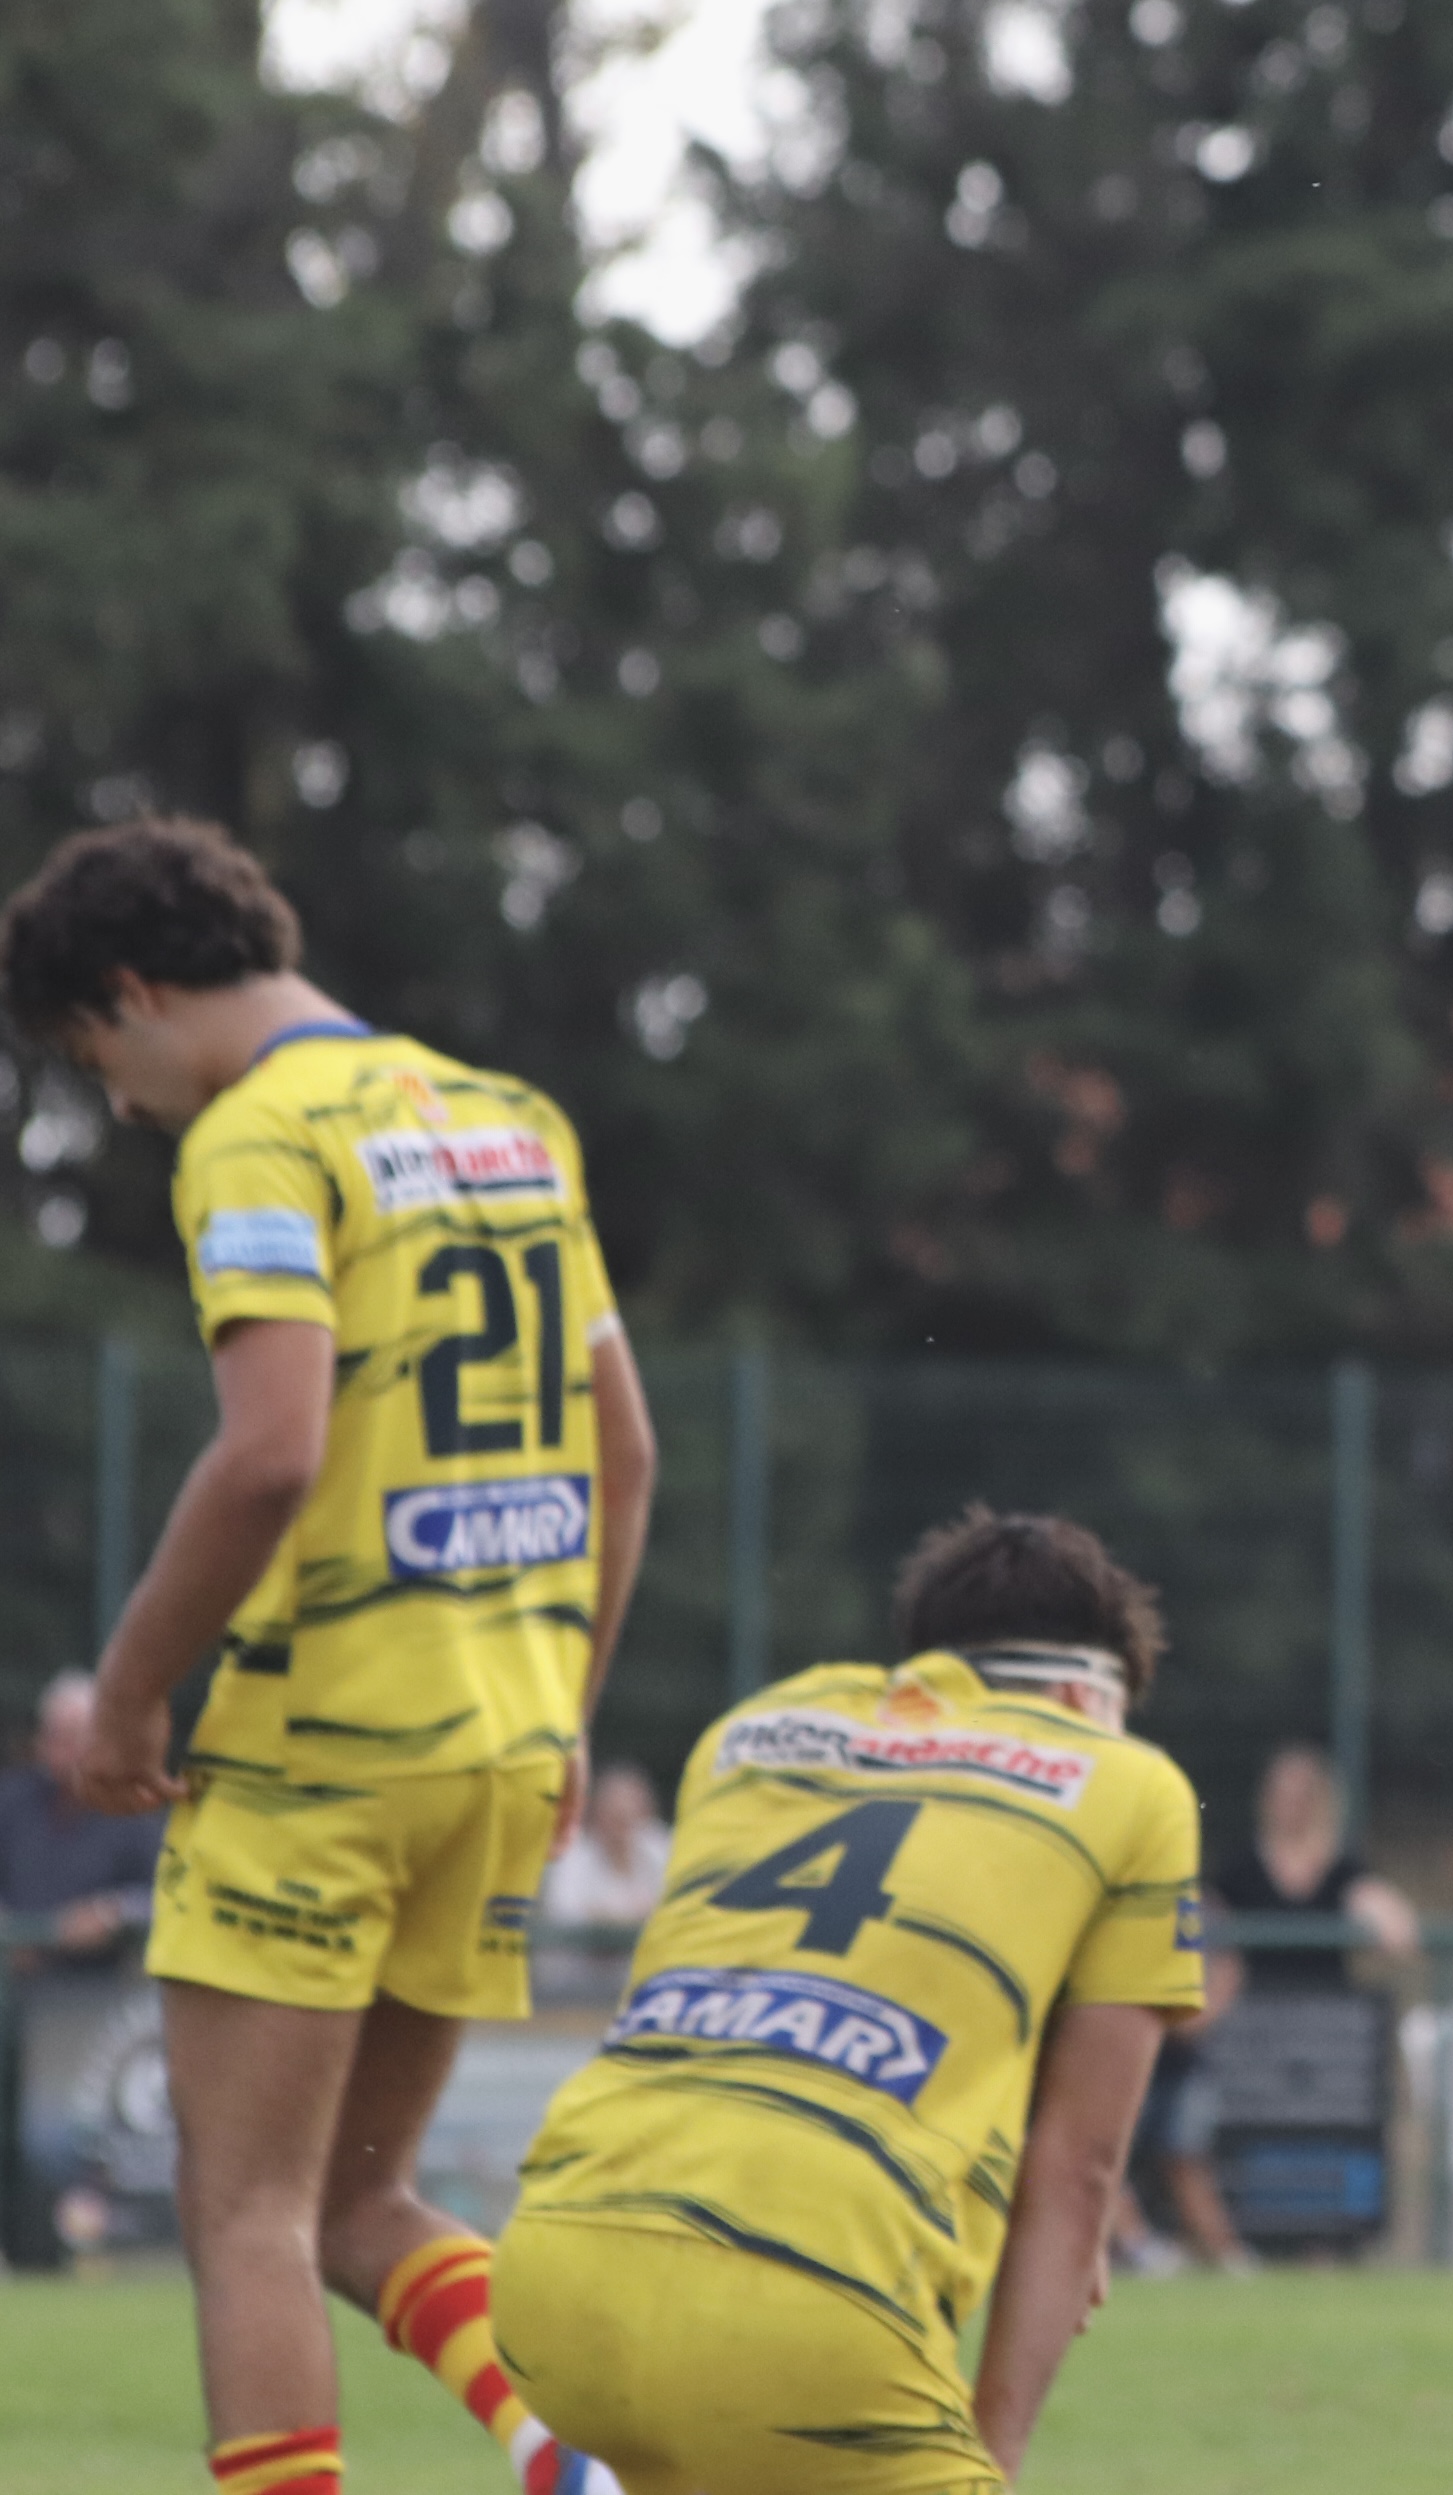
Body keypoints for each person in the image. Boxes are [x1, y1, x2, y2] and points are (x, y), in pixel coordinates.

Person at [3, 817, 658, 2495]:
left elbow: (271, 1455)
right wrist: (568, 1712)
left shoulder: (259, 1134)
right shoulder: (512, 1120)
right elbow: (627, 1451)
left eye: (94, 1058)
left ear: (136, 992)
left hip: (326, 1744)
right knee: (366, 2199)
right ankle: (585, 2466)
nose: (120, 1105)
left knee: (248, 2211)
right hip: (505, 1743)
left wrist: (130, 1693)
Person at [492, 1509, 1200, 2492]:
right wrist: (989, 2458)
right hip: (811, 2315)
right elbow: (1082, 2170)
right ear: (1088, 1693)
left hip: (550, 2276)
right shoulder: (1130, 1781)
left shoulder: (752, 1727)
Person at [1152, 1742, 1421, 2270]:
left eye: (1301, 1795)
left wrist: (1380, 1922)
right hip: (1247, 2042)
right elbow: (1203, 1927)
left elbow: (1396, 1929)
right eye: (1281, 1794)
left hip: (1324, 2042)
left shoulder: (1343, 1870)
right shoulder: (1238, 1868)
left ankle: (1324, 2244)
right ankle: (1231, 2248)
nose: (1289, 1806)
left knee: (1322, 2139)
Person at [0, 1672, 164, 1972]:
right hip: (15, 1981)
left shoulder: (130, 1811)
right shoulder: (12, 1800)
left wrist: (113, 1911)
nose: (62, 1752)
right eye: (54, 1737)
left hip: (97, 1985)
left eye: (74, 1738)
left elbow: (163, 1895)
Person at [533, 1759, 672, 2003]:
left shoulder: (659, 1846)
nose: (623, 1827)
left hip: (647, 1988)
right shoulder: (572, 1855)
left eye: (632, 1816)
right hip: (575, 1995)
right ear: (597, 1814)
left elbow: (679, 1909)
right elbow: (566, 1915)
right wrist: (635, 1915)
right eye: (615, 1817)